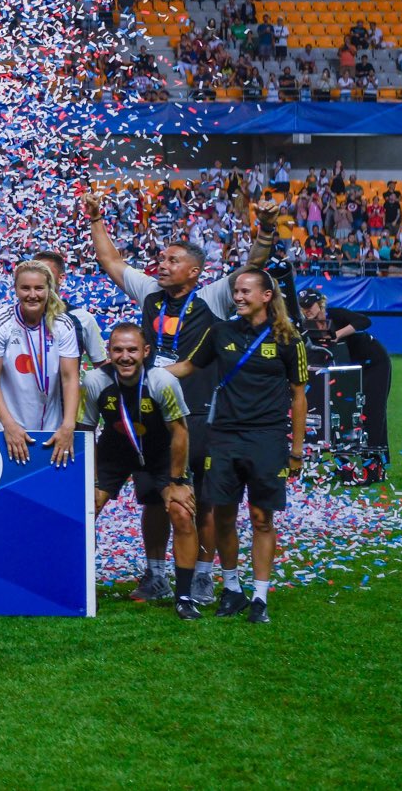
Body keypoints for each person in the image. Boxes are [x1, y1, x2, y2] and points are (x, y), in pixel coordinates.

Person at [86, 192, 276, 604]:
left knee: (200, 503)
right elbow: (112, 263)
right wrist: (98, 220)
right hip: (152, 417)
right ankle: (155, 577)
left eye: (172, 261)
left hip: (197, 416)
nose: (162, 265)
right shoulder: (151, 292)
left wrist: (265, 229)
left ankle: (203, 578)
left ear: (194, 271)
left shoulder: (213, 298)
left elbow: (254, 265)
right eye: (162, 260)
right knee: (154, 500)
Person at [166, 269, 309, 624]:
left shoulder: (290, 340)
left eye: (245, 291)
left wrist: (297, 450)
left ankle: (260, 596)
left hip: (267, 438)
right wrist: (142, 375)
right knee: (223, 516)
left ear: (266, 296)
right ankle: (232, 589)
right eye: (235, 292)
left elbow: (299, 396)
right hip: (225, 437)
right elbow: (186, 366)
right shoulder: (220, 332)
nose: (238, 297)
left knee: (262, 518)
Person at [80, 324, 201, 620]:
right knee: (86, 509)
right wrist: (90, 481)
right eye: (118, 350)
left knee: (181, 512)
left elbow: (180, 432)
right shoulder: (95, 380)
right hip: (115, 449)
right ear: (108, 352)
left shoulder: (162, 380)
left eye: (132, 350)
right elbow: (85, 429)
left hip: (160, 451)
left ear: (146, 352)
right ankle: (78, 587)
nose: (125, 356)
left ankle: (184, 596)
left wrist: (177, 481)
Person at [0, 261, 80, 466]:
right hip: (1, 427)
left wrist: (68, 425)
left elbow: (70, 378)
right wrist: (8, 425)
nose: (32, 295)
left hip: (50, 428)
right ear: (15, 289)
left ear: (49, 289)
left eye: (39, 288)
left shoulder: (63, 323)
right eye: (25, 288)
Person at [298, 289, 391, 459]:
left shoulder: (336, 315)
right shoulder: (306, 325)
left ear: (320, 303)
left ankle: (375, 463)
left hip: (373, 361)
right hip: (348, 368)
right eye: (303, 307)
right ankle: (346, 460)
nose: (306, 310)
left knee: (373, 410)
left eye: (309, 305)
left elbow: (364, 321)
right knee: (346, 412)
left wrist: (337, 334)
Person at [32, 249, 107, 365]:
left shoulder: (83, 319)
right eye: (35, 273)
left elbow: (100, 365)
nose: (40, 279)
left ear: (61, 278)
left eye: (47, 274)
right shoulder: (11, 319)